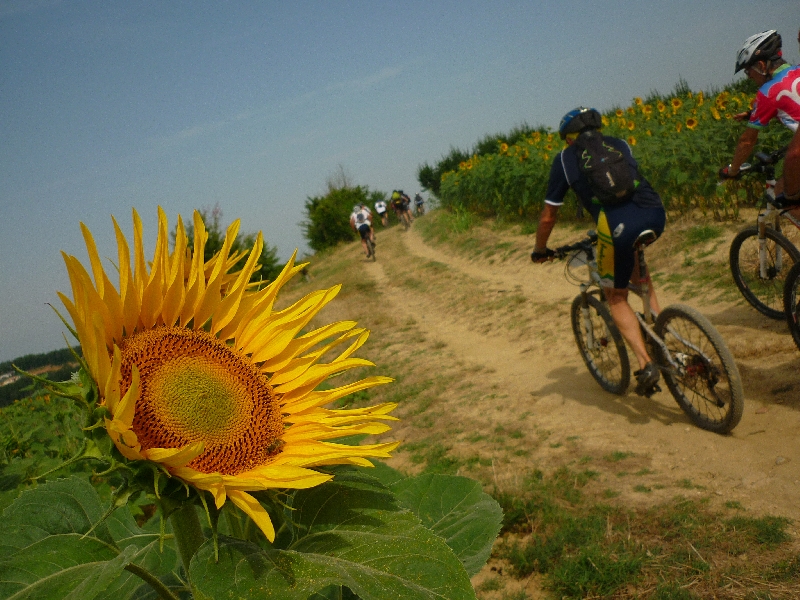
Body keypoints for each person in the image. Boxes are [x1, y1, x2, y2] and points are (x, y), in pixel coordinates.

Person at [531, 107, 667, 396]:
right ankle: (664, 337)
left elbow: (548, 216)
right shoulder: (619, 144)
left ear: (568, 138)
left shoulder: (566, 160)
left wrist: (540, 249)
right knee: (640, 276)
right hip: (655, 214)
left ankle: (645, 363)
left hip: (616, 227)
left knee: (615, 296)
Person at [719, 30, 800, 204]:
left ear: (762, 66)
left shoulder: (768, 92)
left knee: (782, 192)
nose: (749, 78)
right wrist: (751, 114)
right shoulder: (797, 70)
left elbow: (747, 141)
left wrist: (733, 170)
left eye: (748, 72)